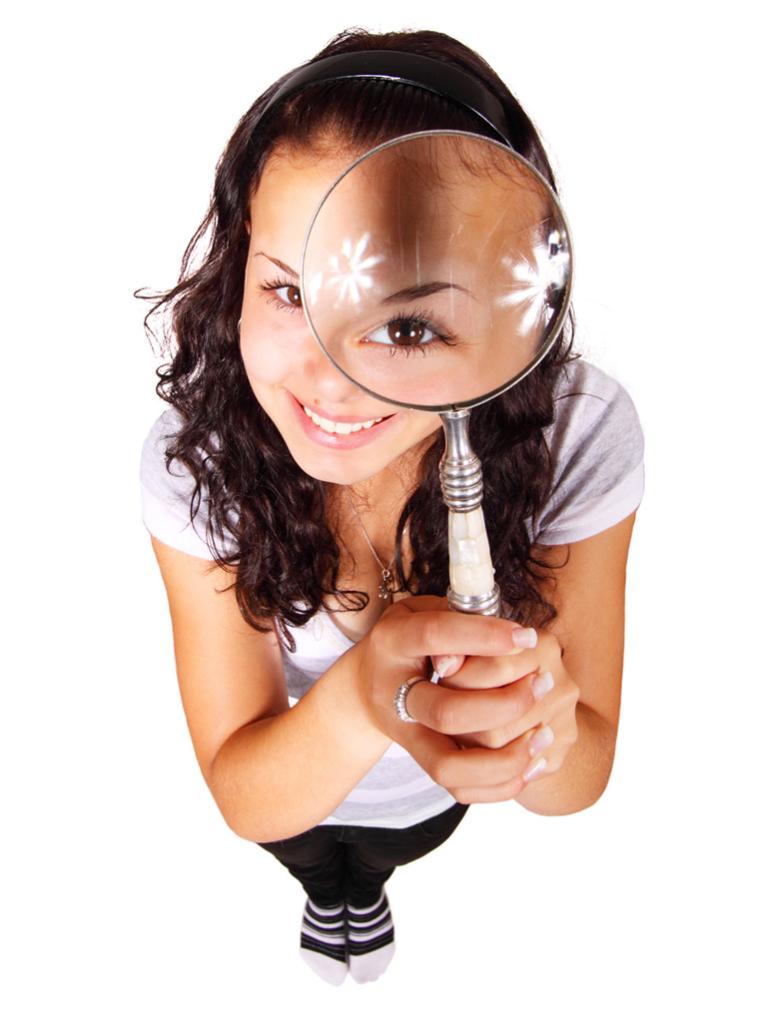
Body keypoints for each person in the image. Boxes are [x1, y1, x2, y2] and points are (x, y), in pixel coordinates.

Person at [137, 27, 645, 986]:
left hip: (425, 804)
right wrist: (368, 689)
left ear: (508, 312)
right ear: (236, 268)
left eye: (407, 324)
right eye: (290, 291)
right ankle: (328, 894)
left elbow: (580, 778)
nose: (333, 376)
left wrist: (540, 724)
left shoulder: (577, 430)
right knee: (310, 857)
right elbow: (245, 792)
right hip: (287, 786)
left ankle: (362, 890)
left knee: (382, 853)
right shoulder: (195, 458)